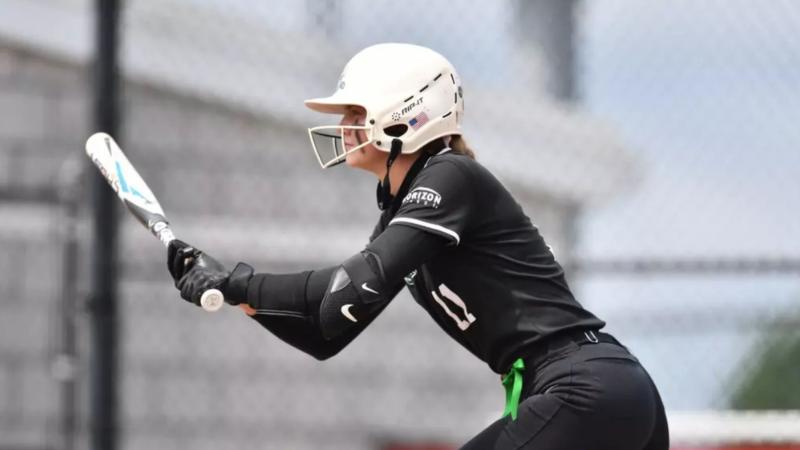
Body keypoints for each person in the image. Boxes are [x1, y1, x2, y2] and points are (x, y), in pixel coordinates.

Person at [167, 43, 669, 449]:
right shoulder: (406, 211)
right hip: (594, 393)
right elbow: (327, 331)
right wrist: (236, 295)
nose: (343, 128)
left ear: (403, 115)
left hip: (586, 390)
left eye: (354, 112)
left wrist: (235, 279)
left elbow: (348, 288)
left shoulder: (449, 177)